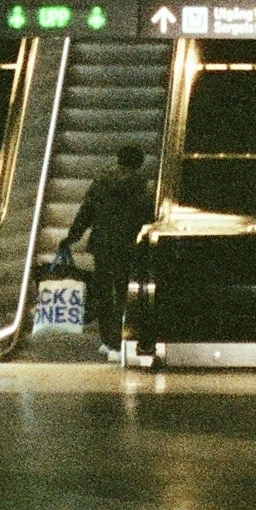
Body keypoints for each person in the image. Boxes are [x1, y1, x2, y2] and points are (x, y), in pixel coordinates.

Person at [59, 144, 153, 358]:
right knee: (122, 291)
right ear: (138, 162)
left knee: (103, 292)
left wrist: (73, 236)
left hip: (102, 244)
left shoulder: (101, 180)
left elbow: (87, 210)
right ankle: (119, 341)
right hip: (127, 245)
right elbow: (146, 216)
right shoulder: (140, 185)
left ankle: (106, 341)